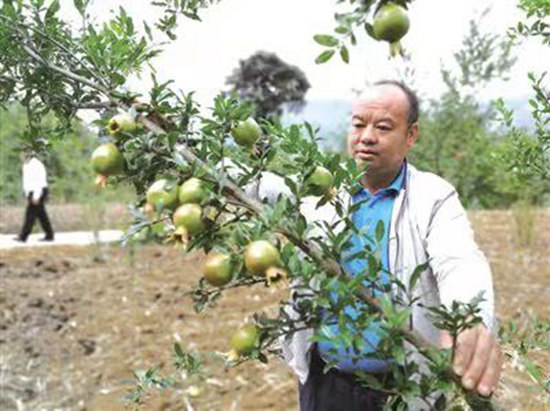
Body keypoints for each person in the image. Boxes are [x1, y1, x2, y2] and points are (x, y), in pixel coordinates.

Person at [246, 80, 502, 410]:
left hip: (409, 386)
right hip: (327, 384)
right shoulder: (317, 190)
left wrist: (468, 315)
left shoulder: (433, 197)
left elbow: (460, 260)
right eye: (358, 124)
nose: (367, 136)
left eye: (383, 127)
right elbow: (258, 187)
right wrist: (190, 162)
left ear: (411, 135)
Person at [15, 151, 55, 242]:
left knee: (30, 214)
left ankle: (23, 237)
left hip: (39, 191)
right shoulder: (26, 165)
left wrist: (36, 195)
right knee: (41, 215)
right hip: (31, 192)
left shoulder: (36, 165)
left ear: (28, 155)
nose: (21, 156)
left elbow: (39, 181)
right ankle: (49, 235)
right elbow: (26, 181)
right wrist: (26, 194)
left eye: (23, 154)